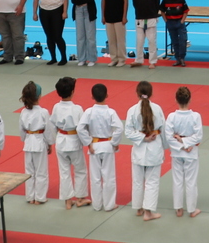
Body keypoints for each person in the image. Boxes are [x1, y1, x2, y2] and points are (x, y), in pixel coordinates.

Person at [125, 81, 167, 221]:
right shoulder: (157, 109)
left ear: (137, 93)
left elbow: (128, 132)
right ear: (151, 93)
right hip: (154, 148)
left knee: (137, 181)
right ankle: (148, 212)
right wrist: (164, 147)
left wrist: (143, 137)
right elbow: (164, 130)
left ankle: (138, 208)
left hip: (139, 149)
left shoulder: (132, 110)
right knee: (152, 181)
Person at [78, 82, 123, 211]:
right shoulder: (111, 112)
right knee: (109, 177)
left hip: (94, 146)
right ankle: (109, 205)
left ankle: (97, 205)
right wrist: (114, 142)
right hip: (108, 145)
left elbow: (80, 128)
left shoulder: (89, 112)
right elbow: (119, 128)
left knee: (95, 178)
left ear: (92, 97)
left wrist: (88, 142)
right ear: (107, 95)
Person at [167, 86, 203, 217]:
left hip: (177, 153)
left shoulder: (171, 117)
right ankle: (192, 210)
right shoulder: (195, 116)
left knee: (177, 180)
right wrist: (187, 144)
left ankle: (178, 209)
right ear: (190, 100)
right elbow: (198, 136)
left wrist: (181, 142)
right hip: (191, 153)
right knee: (191, 181)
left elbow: (169, 137)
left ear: (176, 100)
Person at [52, 77, 89, 208]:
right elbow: (82, 128)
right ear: (73, 92)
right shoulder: (77, 109)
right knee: (80, 170)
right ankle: (80, 198)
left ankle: (68, 200)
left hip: (61, 140)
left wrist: (56, 137)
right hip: (74, 142)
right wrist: (87, 142)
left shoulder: (56, 107)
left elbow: (53, 125)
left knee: (64, 172)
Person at [33, 0, 71, 66]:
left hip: (57, 10)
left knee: (57, 35)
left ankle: (63, 58)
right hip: (44, 11)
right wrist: (35, 12)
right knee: (49, 36)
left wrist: (65, 11)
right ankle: (53, 58)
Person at [19, 82, 50, 204]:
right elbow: (48, 130)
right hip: (39, 141)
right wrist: (50, 143)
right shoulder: (43, 112)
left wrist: (24, 140)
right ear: (39, 96)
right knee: (41, 171)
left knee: (29, 171)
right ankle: (40, 198)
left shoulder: (23, 112)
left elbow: (21, 129)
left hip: (28, 142)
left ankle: (30, 197)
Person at [131, 0, 162, 67]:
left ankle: (152, 61)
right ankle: (139, 60)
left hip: (151, 17)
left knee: (152, 41)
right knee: (139, 41)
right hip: (139, 17)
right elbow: (135, 2)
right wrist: (139, 12)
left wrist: (153, 14)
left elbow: (157, 2)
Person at [70, 0, 99, 66]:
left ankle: (92, 58)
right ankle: (82, 58)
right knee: (80, 36)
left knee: (90, 36)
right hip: (78, 11)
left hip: (88, 11)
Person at [160, 0, 190, 67]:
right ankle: (177, 59)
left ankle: (182, 58)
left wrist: (182, 21)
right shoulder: (165, 0)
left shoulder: (181, 0)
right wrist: (166, 20)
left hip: (179, 23)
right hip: (170, 23)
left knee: (182, 41)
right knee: (174, 42)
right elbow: (162, 11)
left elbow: (185, 11)